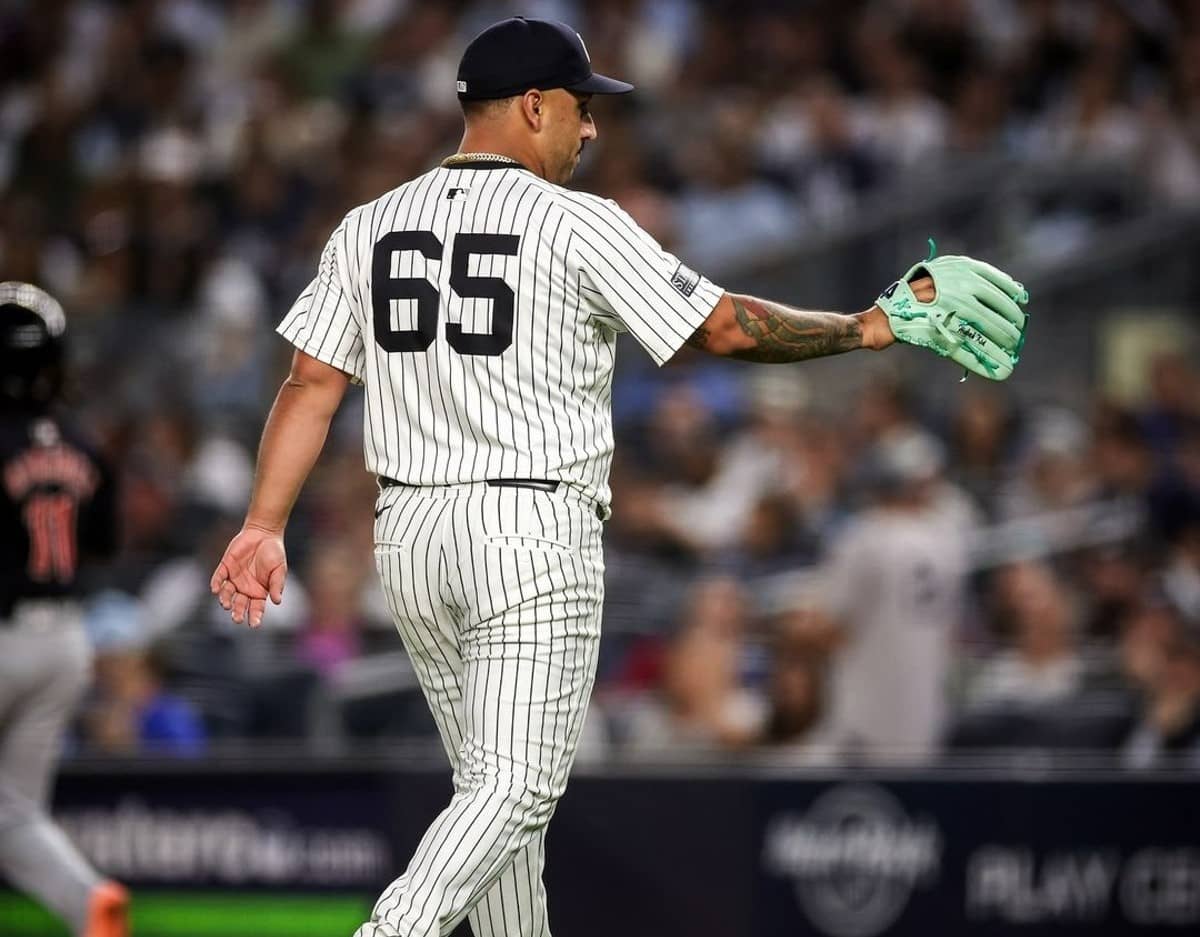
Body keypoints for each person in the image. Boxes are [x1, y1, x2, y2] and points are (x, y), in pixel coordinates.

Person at [209, 17, 1028, 937]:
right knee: (514, 790)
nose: (590, 128)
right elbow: (720, 327)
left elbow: (311, 382)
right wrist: (865, 327)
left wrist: (262, 522)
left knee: (500, 823)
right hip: (528, 532)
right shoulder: (576, 222)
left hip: (410, 541)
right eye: (580, 106)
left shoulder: (370, 224)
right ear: (531, 105)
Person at [0, 282, 129, 937]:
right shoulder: (84, 441)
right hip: (65, 641)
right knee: (14, 812)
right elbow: (105, 543)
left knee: (11, 813)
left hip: (4, 633)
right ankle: (89, 904)